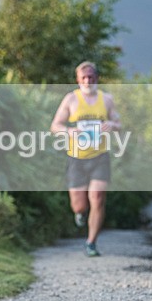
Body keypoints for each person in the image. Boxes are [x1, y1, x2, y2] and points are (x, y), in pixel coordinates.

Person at [50, 61, 121, 257]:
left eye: (91, 77)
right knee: (79, 205)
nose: (88, 81)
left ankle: (91, 242)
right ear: (78, 80)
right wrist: (69, 131)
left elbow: (118, 123)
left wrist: (112, 125)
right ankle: (80, 213)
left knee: (97, 198)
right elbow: (55, 126)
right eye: (84, 78)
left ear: (97, 78)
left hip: (100, 156)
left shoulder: (107, 99)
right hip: (76, 158)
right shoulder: (71, 99)